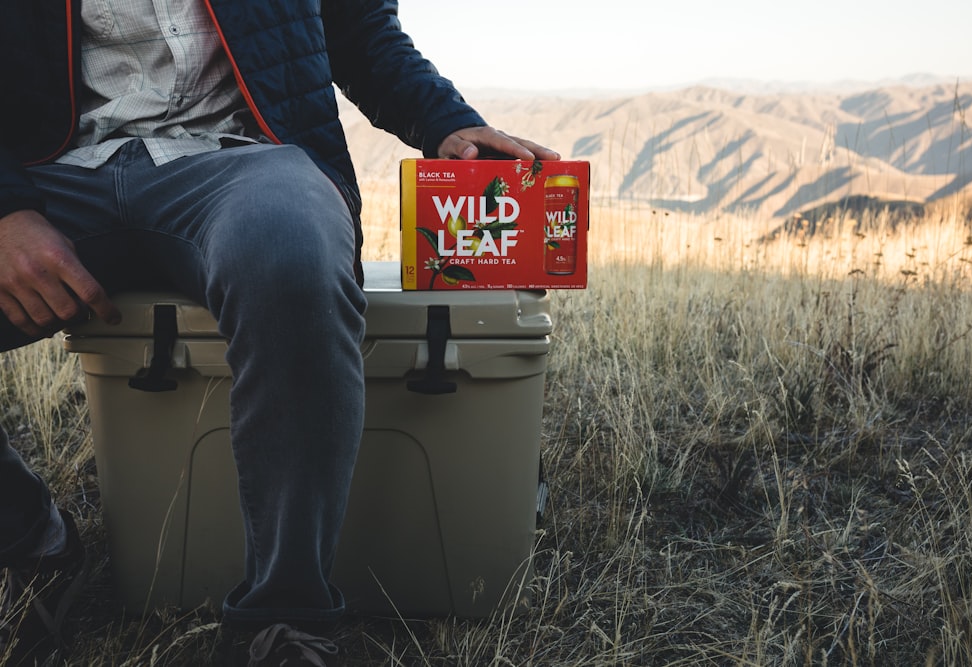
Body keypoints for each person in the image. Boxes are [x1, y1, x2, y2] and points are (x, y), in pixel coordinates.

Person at [0, 1, 559, 664]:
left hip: (242, 158)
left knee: (293, 256)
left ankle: (287, 617)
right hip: (48, 172)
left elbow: (358, 28)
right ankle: (32, 537)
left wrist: (449, 124)